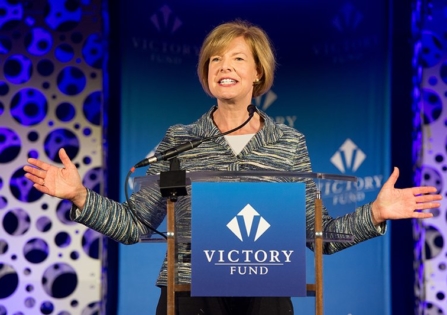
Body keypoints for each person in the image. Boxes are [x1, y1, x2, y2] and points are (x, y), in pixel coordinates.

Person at [23, 20, 441, 315]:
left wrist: (376, 213)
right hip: (187, 297)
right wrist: (80, 196)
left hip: (266, 294)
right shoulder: (180, 140)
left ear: (257, 73)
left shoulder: (288, 144)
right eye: (215, 60)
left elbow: (319, 236)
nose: (224, 67)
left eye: (238, 59)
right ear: (206, 75)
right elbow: (134, 225)